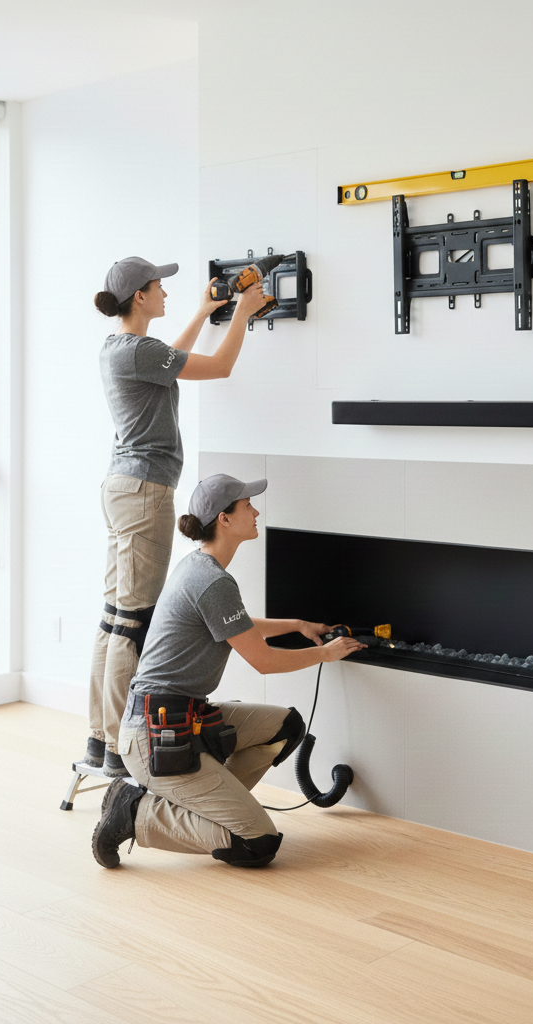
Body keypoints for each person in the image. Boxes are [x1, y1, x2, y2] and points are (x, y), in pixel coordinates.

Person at [91, 473, 365, 869]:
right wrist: (326, 654)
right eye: (247, 506)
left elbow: (236, 624)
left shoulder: (202, 569)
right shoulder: (212, 581)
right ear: (224, 518)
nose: (255, 511)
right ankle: (134, 812)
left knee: (286, 726)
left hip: (181, 721)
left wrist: (297, 625)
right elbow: (264, 661)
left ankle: (215, 805)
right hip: (158, 738)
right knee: (259, 845)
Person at [83, 256, 268, 778]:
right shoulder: (138, 352)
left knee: (115, 618)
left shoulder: (123, 349)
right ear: (140, 296)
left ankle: (101, 738)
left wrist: (208, 307)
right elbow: (220, 366)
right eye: (160, 287)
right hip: (144, 493)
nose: (166, 294)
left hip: (124, 487)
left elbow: (172, 356)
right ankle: (122, 745)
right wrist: (243, 313)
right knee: (134, 620)